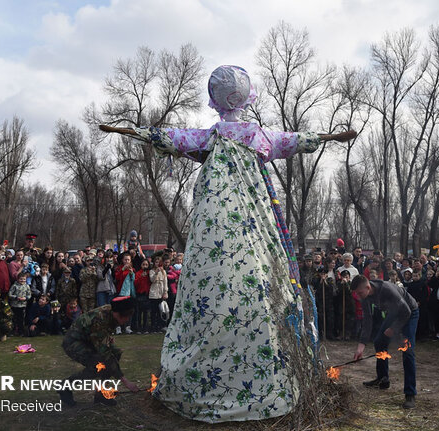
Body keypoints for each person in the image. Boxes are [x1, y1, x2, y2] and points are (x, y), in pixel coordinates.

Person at [100, 64, 356, 422]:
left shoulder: (214, 137)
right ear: (246, 97)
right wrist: (328, 137)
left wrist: (136, 132)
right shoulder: (259, 138)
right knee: (254, 278)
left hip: (217, 220)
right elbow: (294, 139)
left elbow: (172, 137)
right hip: (251, 221)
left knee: (219, 278)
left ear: (215, 100)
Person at [57, 296, 140, 407]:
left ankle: (101, 394)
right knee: (97, 365)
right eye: (125, 318)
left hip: (89, 340)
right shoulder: (100, 319)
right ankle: (65, 386)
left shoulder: (112, 312)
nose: (125, 321)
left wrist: (108, 337)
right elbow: (105, 353)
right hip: (74, 342)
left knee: (116, 353)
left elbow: (104, 334)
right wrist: (125, 381)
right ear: (117, 313)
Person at [352, 275, 419, 409]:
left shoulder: (387, 289)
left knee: (408, 351)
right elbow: (367, 321)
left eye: (359, 293)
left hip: (410, 312)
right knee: (379, 341)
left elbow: (406, 311)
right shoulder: (364, 296)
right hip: (394, 314)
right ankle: (383, 379)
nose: (358, 296)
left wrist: (394, 329)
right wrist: (361, 346)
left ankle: (410, 394)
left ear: (368, 287)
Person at [114, 253, 136, 335]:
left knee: (128, 311)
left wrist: (131, 274)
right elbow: (117, 278)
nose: (127, 261)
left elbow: (133, 281)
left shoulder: (132, 269)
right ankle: (118, 327)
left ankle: (127, 327)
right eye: (125, 259)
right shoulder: (119, 268)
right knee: (119, 311)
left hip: (128, 293)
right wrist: (123, 269)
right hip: (120, 292)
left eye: (128, 260)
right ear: (122, 260)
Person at [148, 255, 168, 333]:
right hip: (154, 293)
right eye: (156, 262)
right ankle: (153, 327)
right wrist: (156, 273)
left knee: (161, 311)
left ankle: (160, 326)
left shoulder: (163, 272)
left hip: (161, 293)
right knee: (154, 311)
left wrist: (165, 292)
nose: (157, 264)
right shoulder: (152, 271)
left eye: (159, 263)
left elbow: (165, 282)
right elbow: (152, 280)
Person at [8, 272, 31, 336]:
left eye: (24, 279)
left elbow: (29, 295)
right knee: (13, 318)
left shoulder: (27, 286)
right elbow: (10, 294)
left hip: (22, 305)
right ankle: (13, 331)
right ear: (18, 279)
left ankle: (21, 331)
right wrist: (16, 297)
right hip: (14, 305)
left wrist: (25, 298)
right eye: (21, 279)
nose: (22, 281)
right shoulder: (14, 286)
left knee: (21, 319)